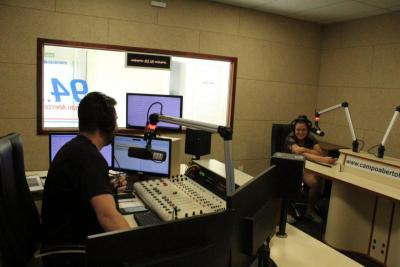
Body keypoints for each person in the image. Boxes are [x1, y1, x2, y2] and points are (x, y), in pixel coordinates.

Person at [41, 92, 130, 267]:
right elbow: (108, 217)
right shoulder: (88, 158)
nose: (117, 127)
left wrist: (107, 189)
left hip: (65, 242)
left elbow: (80, 195)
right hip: (72, 255)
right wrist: (140, 248)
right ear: (106, 124)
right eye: (115, 120)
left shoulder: (76, 148)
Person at [284, 115, 335, 224]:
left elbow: (319, 151)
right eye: (298, 129)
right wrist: (323, 160)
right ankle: (284, 213)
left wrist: (304, 149)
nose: (301, 132)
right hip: (289, 168)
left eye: (303, 130)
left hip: (304, 167)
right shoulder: (289, 138)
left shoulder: (311, 137)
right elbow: (298, 152)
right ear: (294, 130)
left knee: (316, 181)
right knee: (286, 181)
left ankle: (310, 210)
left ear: (307, 130)